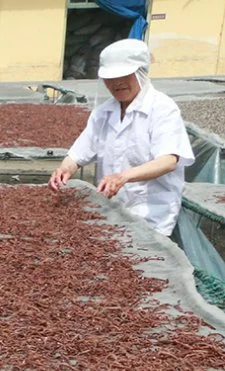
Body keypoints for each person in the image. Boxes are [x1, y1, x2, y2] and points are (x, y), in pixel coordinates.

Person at [48, 39, 193, 238]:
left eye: (125, 76)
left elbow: (168, 161)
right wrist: (65, 169)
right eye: (111, 78)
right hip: (111, 211)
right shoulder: (104, 112)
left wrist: (123, 177)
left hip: (152, 214)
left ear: (141, 72)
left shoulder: (163, 109)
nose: (117, 83)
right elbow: (79, 152)